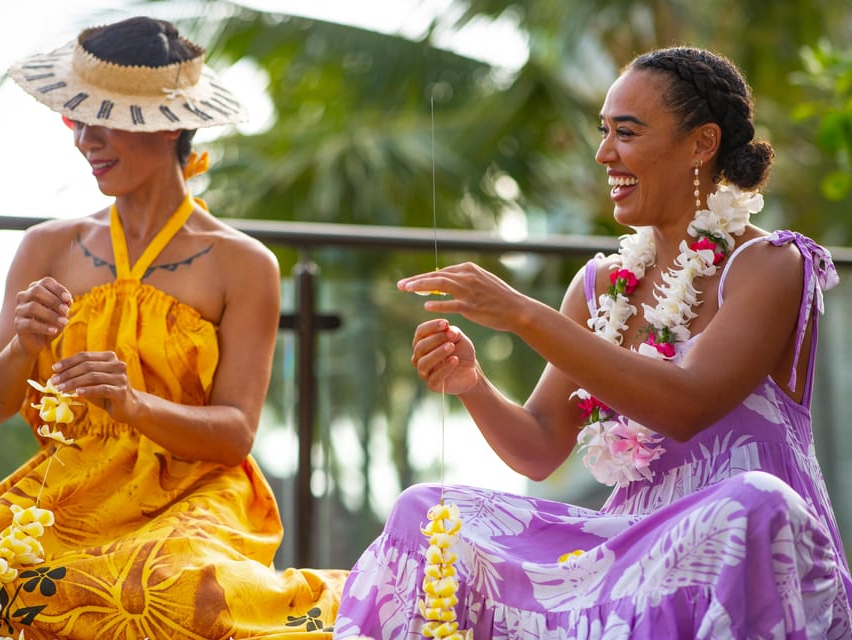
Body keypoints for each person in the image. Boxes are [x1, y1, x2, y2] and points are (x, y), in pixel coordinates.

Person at [333, 47, 852, 638]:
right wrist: (471, 384)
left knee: (758, 501)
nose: (605, 153)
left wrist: (524, 315)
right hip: (624, 554)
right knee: (428, 510)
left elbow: (685, 403)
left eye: (626, 133)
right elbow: (541, 445)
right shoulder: (603, 286)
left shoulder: (770, 264)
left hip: (738, 542)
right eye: (604, 132)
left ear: (702, 144)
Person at [0, 16, 346, 640]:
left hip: (196, 491)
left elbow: (234, 436)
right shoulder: (47, 246)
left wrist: (132, 404)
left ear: (169, 127)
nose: (87, 139)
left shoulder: (245, 266)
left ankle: (333, 599)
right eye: (78, 119)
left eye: (107, 119)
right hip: (73, 486)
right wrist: (24, 347)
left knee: (155, 596)